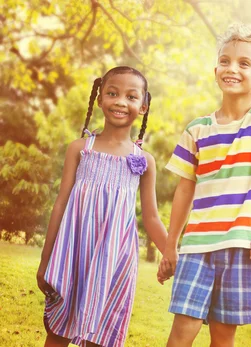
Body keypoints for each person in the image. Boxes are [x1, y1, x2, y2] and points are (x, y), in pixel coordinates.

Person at [159, 23, 251, 347]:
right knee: (182, 331)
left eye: (244, 63)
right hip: (196, 247)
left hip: (240, 245)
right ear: (216, 67)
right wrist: (170, 245)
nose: (232, 68)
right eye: (225, 60)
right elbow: (184, 190)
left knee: (222, 335)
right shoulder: (197, 130)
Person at [36, 66, 169, 347]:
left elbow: (153, 218)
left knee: (103, 335)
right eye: (112, 93)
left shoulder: (144, 161)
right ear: (99, 99)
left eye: (131, 97)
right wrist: (46, 260)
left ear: (143, 106)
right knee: (58, 330)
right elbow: (60, 205)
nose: (121, 102)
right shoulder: (79, 149)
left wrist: (172, 254)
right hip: (73, 252)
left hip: (115, 260)